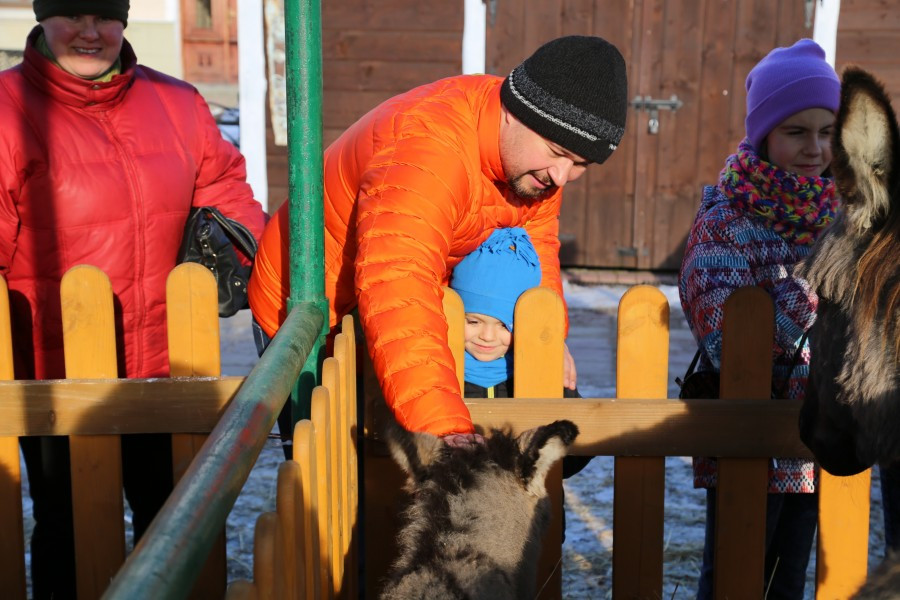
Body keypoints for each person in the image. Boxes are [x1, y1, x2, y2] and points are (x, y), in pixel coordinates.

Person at [0, 2, 267, 597]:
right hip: (57, 371)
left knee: (175, 519)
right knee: (69, 528)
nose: (89, 32)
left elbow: (225, 190)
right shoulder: (7, 109)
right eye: (71, 14)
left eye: (105, 15)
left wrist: (248, 251)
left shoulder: (176, 103)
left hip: (170, 364)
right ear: (43, 17)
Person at [249, 35, 628, 443]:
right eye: (555, 151)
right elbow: (399, 283)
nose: (561, 176)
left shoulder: (533, 167)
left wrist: (547, 335)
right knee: (334, 461)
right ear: (513, 114)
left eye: (580, 163)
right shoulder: (429, 152)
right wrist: (443, 429)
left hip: (393, 309)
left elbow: (536, 244)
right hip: (309, 313)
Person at [678, 38, 840, 598]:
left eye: (827, 131)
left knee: (788, 581)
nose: (815, 148)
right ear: (764, 134)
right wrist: (816, 281)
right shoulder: (725, 222)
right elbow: (728, 342)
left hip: (820, 440)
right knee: (734, 578)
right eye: (796, 131)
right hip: (747, 441)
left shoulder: (841, 216)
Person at [449, 226, 591, 476]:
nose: (487, 336)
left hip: (530, 499)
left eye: (504, 325)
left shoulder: (542, 372)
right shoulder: (442, 372)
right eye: (473, 321)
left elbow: (577, 451)